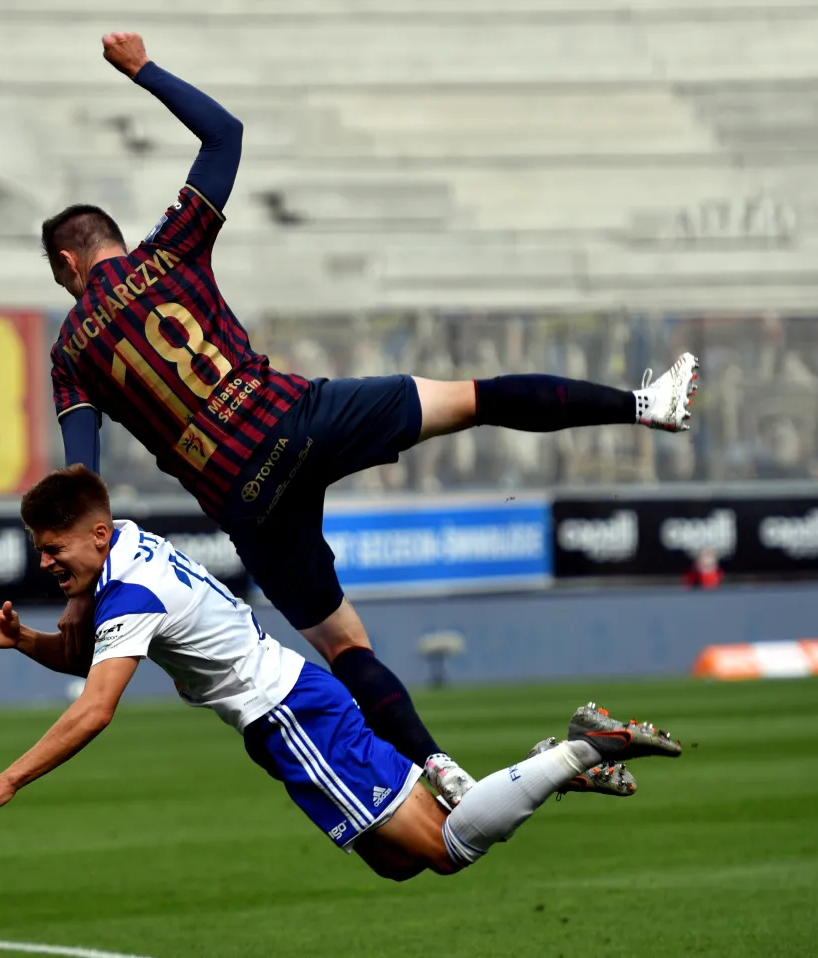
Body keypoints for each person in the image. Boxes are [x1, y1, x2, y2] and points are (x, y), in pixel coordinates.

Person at [42, 32, 700, 805]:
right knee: (473, 398)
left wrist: (83, 590)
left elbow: (82, 479)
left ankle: (438, 765)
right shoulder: (170, 252)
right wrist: (141, 68)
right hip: (298, 420)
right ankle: (644, 405)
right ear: (108, 243)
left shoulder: (70, 351)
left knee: (342, 642)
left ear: (66, 267)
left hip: (243, 500)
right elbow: (226, 134)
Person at [0, 467, 682, 881]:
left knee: (445, 851)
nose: (44, 564)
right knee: (395, 865)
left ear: (96, 535)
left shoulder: (130, 592)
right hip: (290, 703)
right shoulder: (128, 544)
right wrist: (29, 640)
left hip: (288, 713)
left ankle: (579, 749)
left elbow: (93, 708)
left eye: (52, 549)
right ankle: (546, 769)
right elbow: (89, 653)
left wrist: (4, 781)